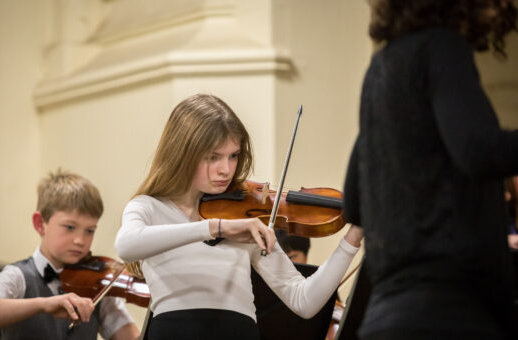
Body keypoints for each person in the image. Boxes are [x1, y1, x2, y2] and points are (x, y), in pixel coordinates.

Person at [115, 93, 363, 340]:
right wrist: (216, 228)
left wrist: (352, 239)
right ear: (182, 152)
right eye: (213, 157)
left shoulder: (243, 214)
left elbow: (304, 300)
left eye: (233, 155)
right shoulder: (147, 207)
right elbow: (127, 245)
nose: (226, 169)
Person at [343, 1, 518, 339]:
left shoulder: (380, 67)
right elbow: (478, 151)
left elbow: (354, 200)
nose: (499, 10)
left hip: (384, 316)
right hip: (449, 311)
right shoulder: (442, 47)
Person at [0, 169, 140, 340]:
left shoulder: (98, 286)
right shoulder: (18, 276)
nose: (80, 240)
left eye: (90, 230)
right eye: (70, 227)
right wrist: (44, 304)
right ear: (40, 224)